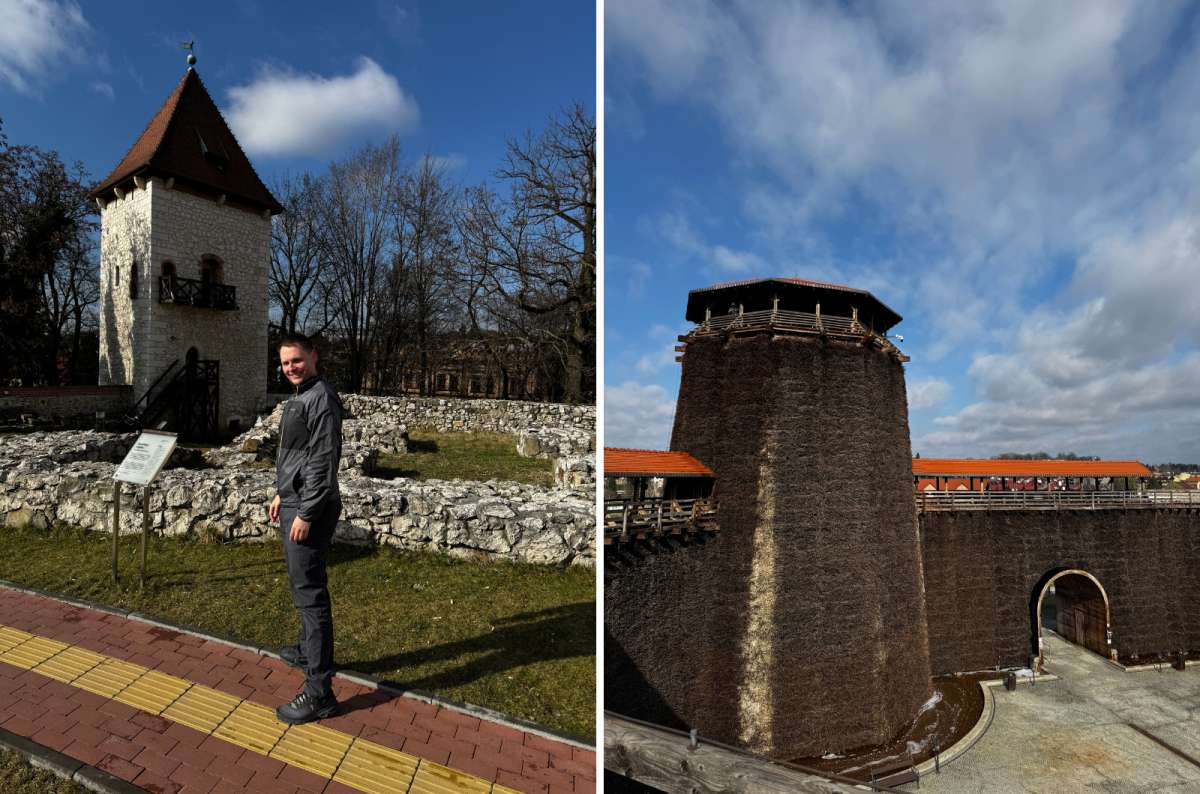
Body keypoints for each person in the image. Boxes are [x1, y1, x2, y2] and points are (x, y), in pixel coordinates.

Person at [268, 332, 344, 724]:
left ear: (313, 356)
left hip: (310, 507)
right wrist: (284, 493)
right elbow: (298, 454)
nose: (291, 368)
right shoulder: (302, 395)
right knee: (303, 587)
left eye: (296, 360)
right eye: (284, 363)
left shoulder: (321, 399)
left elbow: (323, 460)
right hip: (296, 500)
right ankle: (305, 649)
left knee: (311, 594)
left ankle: (320, 692)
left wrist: (307, 512)